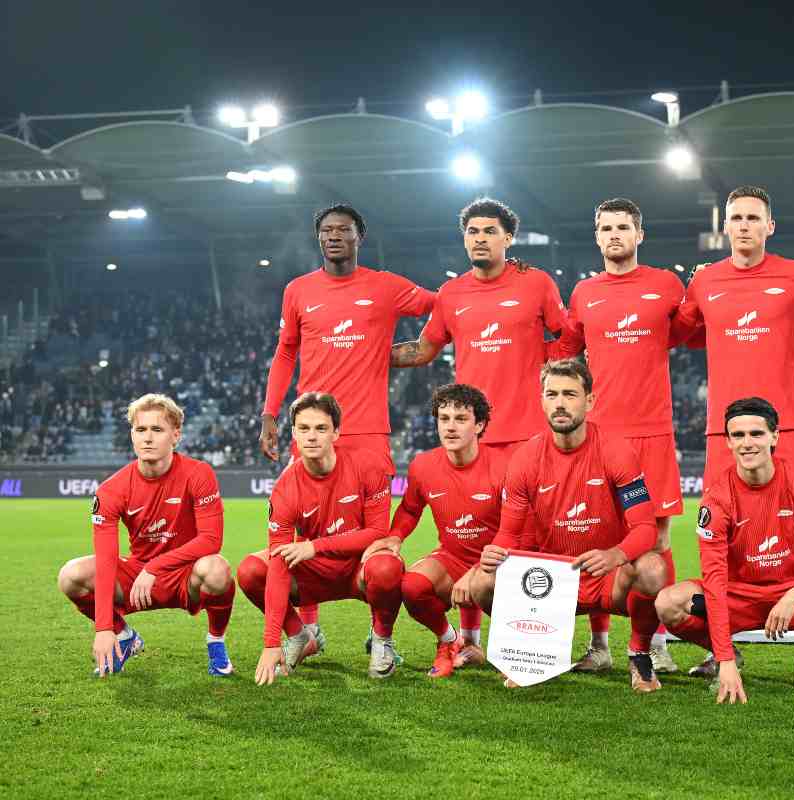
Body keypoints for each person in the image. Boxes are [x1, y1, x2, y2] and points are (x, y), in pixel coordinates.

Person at [670, 184, 794, 678]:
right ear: (723, 227)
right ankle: (723, 646)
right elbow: (676, 332)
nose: (743, 225)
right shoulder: (705, 282)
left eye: (753, 217)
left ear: (770, 226)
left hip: (784, 428)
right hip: (720, 433)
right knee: (719, 533)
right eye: (735, 217)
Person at [390, 197, 567, 646]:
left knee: (539, 541)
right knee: (473, 539)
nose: (480, 238)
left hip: (530, 438)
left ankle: (559, 643)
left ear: (508, 238)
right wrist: (364, 353)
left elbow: (568, 340)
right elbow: (424, 350)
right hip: (475, 439)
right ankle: (468, 640)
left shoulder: (536, 283)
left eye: (490, 231)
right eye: (473, 231)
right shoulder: (452, 294)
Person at [259, 203, 435, 650]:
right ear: (318, 239)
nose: (334, 235)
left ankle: (381, 634)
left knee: (375, 534)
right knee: (306, 525)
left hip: (369, 430)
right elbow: (284, 354)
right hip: (313, 427)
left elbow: (445, 305)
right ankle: (309, 628)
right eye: (326, 230)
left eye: (344, 229)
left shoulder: (385, 287)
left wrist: (414, 349)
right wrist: (270, 413)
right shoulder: (298, 290)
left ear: (361, 237)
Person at [469, 359, 670, 692]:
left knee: (652, 568)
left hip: (607, 576)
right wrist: (494, 554)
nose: (560, 403)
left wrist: (615, 554)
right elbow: (508, 534)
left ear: (589, 401)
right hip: (552, 580)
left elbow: (647, 529)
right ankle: (533, 651)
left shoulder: (616, 451)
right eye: (552, 394)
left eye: (570, 394)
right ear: (542, 400)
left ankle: (639, 654)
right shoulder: (525, 458)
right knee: (482, 582)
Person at [547, 197, 686, 673]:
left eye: (622, 227)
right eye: (605, 227)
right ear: (597, 234)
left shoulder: (666, 285)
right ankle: (600, 644)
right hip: (600, 437)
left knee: (658, 540)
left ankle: (658, 640)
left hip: (653, 434)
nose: (613, 234)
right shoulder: (585, 293)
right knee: (596, 534)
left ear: (639, 234)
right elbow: (563, 350)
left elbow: (693, 330)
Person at [655, 397, 794, 701]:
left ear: (775, 437)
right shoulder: (717, 499)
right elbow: (715, 580)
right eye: (738, 435)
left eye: (756, 434)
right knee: (668, 603)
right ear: (728, 442)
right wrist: (725, 658)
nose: (747, 443)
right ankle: (728, 657)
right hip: (738, 596)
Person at [58, 393, 235, 677]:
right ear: (132, 435)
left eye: (157, 429)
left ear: (175, 435)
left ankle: (216, 641)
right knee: (70, 576)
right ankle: (124, 636)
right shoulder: (111, 490)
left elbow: (211, 540)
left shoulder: (199, 473)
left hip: (184, 573)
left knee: (217, 569)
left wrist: (157, 566)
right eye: (141, 430)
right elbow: (106, 561)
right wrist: (104, 627)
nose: (148, 438)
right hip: (138, 576)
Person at [237, 392, 405, 685]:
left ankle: (382, 640)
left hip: (358, 571)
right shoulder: (285, 488)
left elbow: (378, 533)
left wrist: (315, 546)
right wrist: (270, 642)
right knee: (251, 571)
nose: (311, 436)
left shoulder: (367, 466)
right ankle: (300, 637)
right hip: (313, 577)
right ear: (293, 434)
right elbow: (278, 563)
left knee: (388, 567)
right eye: (303, 429)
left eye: (320, 428)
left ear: (336, 432)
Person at [362, 383, 502, 678]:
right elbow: (411, 509)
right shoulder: (423, 465)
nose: (450, 427)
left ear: (479, 424)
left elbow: (521, 529)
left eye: (461, 419)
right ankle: (450, 641)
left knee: (491, 593)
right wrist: (395, 536)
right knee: (412, 586)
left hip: (501, 561)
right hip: (453, 558)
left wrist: (478, 569)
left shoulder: (505, 466)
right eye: (443, 418)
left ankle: (515, 650)